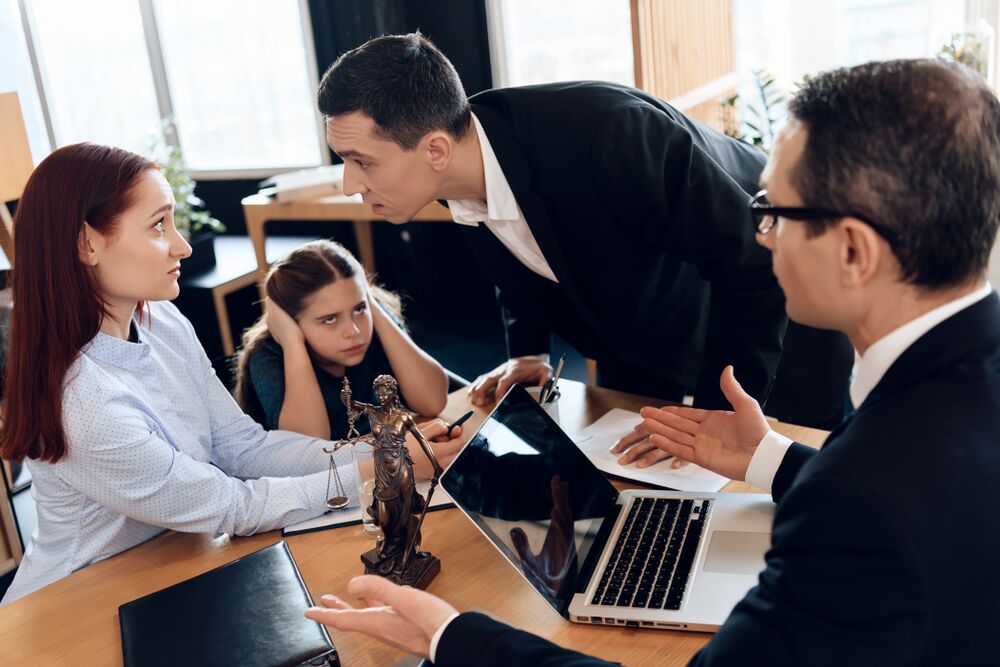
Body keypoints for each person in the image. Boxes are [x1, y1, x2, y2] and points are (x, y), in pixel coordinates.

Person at [304, 59, 1000, 664]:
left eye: (772, 210)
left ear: (853, 250)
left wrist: (453, 637)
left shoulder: (862, 492)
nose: (760, 235)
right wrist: (773, 460)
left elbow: (872, 508)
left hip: (715, 339)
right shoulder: (944, 403)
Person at [0, 143, 461, 606]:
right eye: (159, 225)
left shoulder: (161, 321)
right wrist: (379, 469)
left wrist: (385, 448)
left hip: (161, 565)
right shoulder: (86, 403)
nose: (181, 244)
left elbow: (242, 446)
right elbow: (232, 505)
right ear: (87, 244)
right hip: (70, 602)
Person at [315, 32, 853, 419]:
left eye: (362, 161)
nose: (348, 183)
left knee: (791, 506)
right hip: (641, 325)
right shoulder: (452, 168)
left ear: (434, 148)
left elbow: (753, 264)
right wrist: (528, 350)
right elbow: (516, 231)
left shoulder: (611, 138)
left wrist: (720, 416)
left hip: (782, 311)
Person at [233, 238, 449, 440]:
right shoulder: (268, 354)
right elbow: (309, 446)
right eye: (329, 319)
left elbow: (433, 402)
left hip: (378, 456)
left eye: (358, 308)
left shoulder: (374, 324)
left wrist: (372, 306)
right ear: (291, 322)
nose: (353, 331)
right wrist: (292, 343)